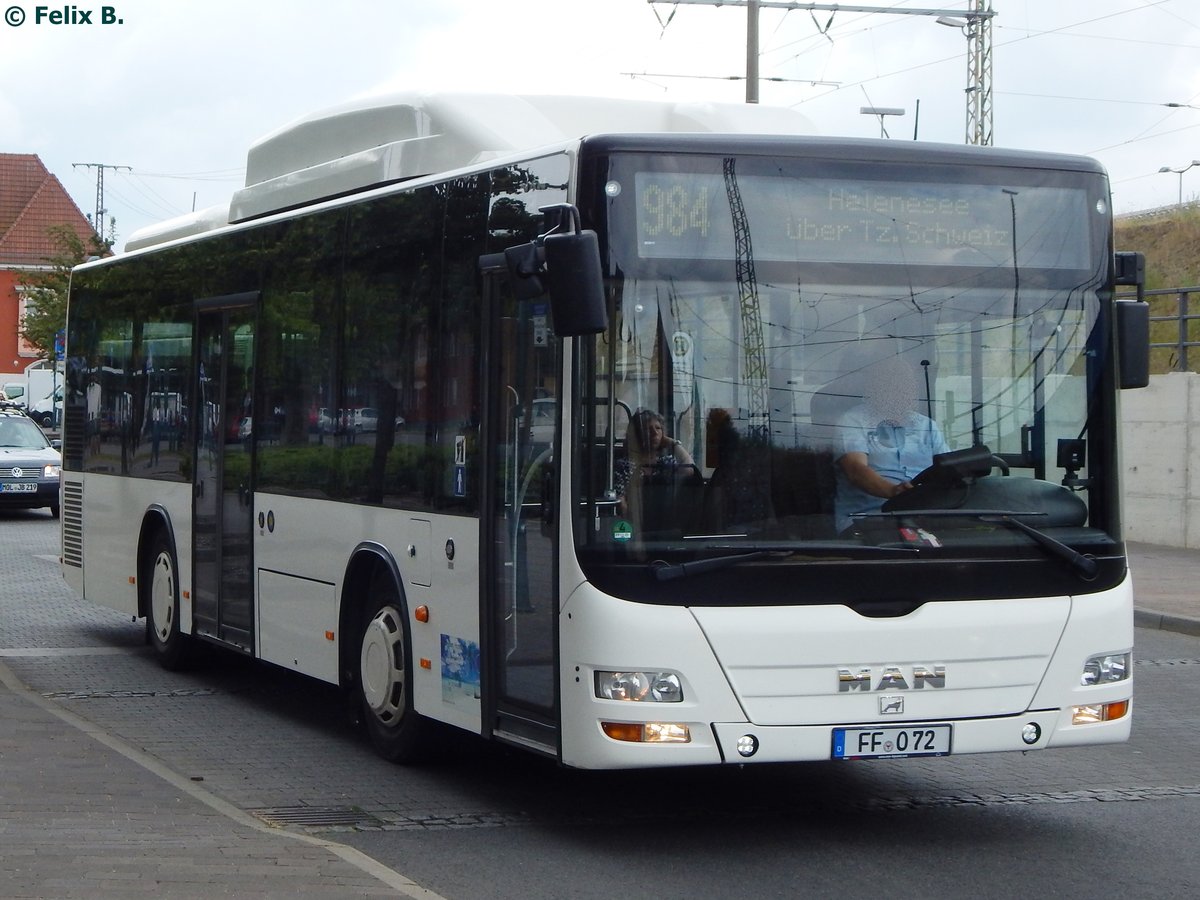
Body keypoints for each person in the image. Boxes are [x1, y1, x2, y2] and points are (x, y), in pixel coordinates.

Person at [833, 357, 950, 533]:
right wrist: (896, 493)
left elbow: (950, 468)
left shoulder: (927, 426)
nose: (902, 392)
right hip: (867, 520)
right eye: (892, 385)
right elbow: (856, 470)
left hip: (923, 517)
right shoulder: (853, 420)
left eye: (907, 385)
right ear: (874, 388)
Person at [614, 409, 694, 517]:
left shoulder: (666, 462)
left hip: (666, 518)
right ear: (637, 435)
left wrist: (673, 444)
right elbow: (620, 500)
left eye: (658, 428)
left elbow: (689, 470)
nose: (655, 433)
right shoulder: (623, 466)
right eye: (648, 429)